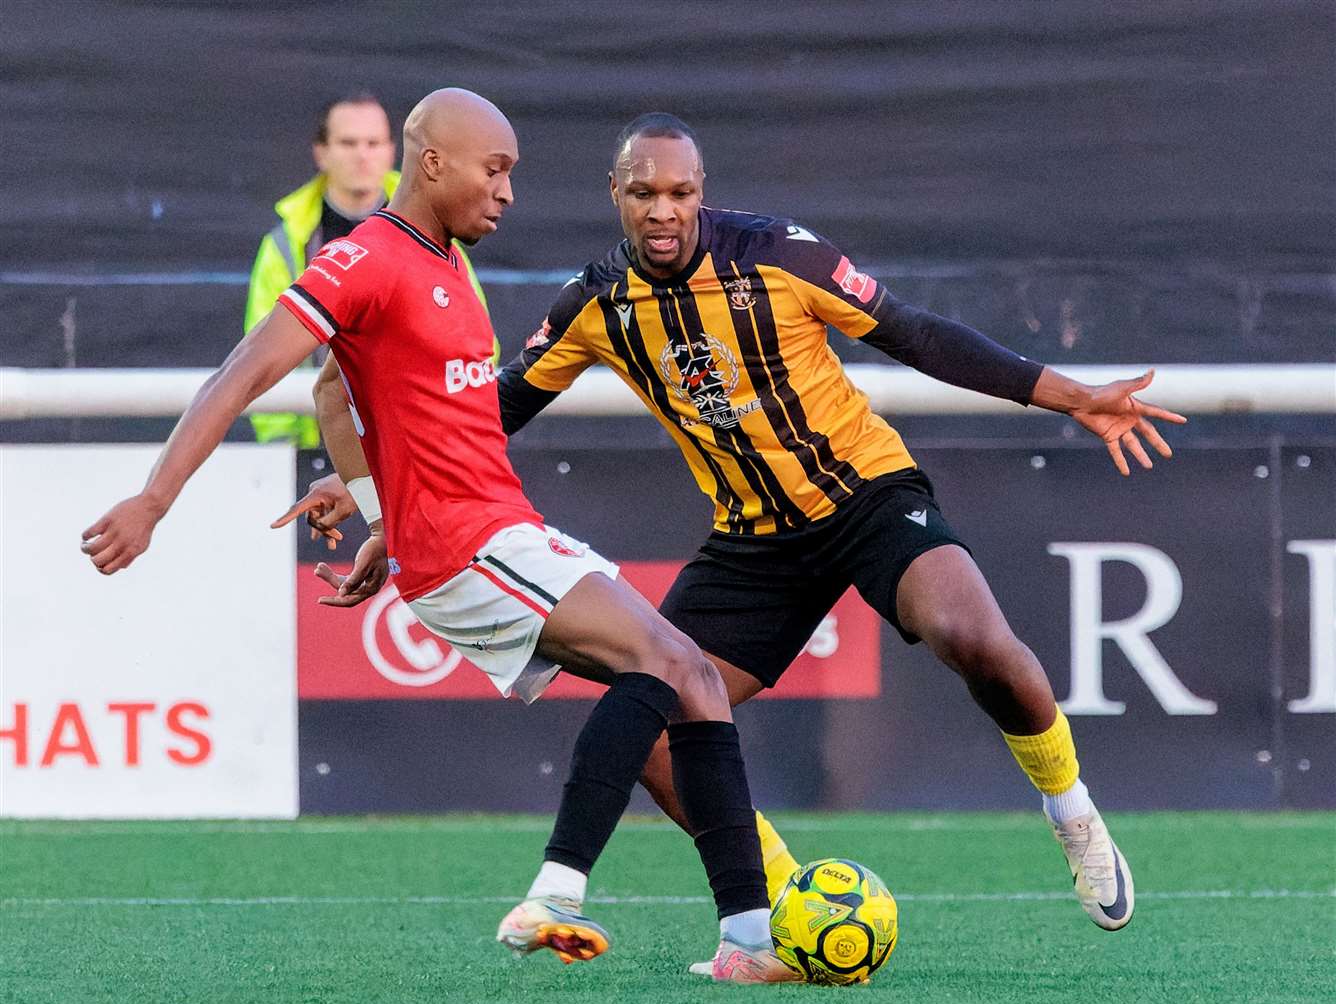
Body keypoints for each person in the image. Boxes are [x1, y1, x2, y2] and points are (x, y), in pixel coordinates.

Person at [292, 113, 1184, 947]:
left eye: (681, 194)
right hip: (753, 542)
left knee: (968, 634)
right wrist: (374, 485)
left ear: (701, 192)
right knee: (649, 729)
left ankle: (1071, 811)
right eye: (645, 195)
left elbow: (914, 333)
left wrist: (1071, 396)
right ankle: (789, 903)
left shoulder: (777, 253)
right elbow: (491, 412)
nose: (664, 211)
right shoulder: (597, 303)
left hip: (864, 495)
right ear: (618, 195)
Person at [79, 90, 795, 985]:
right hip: (471, 544)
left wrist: (382, 519)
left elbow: (335, 395)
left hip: (486, 531)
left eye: (512, 175)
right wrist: (154, 499)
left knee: (676, 683)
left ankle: (743, 938)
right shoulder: (365, 258)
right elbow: (243, 374)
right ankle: (623, 910)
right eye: (493, 171)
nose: (506, 192)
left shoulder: (446, 259)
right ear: (430, 164)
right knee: (673, 666)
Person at [243, 92, 497, 448]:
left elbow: (476, 342)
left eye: (373, 143)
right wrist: (286, 450)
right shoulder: (287, 245)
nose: (362, 155)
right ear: (322, 152)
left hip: (419, 445)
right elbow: (261, 354)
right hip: (320, 449)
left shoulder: (437, 229)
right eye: (348, 143)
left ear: (394, 151)